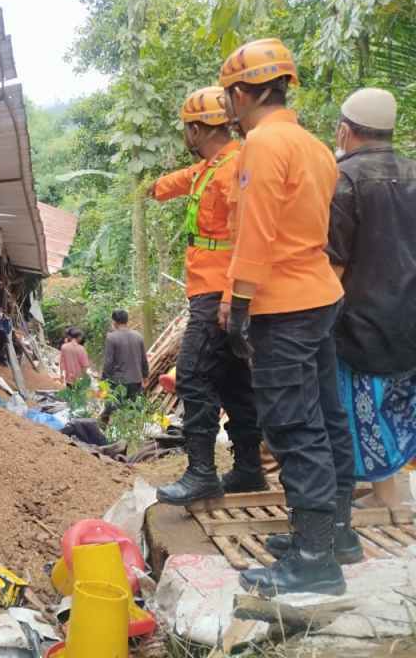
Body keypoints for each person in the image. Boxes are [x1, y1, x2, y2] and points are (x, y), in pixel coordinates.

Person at [218, 38, 358, 596]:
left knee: (294, 426)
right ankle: (325, 534)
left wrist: (240, 303)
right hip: (319, 293)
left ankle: (315, 560)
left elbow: (256, 229)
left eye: (230, 95)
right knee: (324, 417)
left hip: (283, 304)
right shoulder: (314, 145)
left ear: (241, 92)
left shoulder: (262, 144)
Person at [148, 86, 265, 505]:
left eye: (187, 129)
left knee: (194, 375)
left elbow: (247, 236)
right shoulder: (212, 166)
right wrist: (153, 188)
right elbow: (181, 182)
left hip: (219, 292)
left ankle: (201, 473)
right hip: (213, 288)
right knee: (235, 380)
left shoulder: (233, 170)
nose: (185, 135)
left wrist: (231, 299)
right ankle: (250, 469)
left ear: (197, 129)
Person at [324, 88, 416, 508]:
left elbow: (335, 266)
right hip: (408, 316)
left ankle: (386, 497)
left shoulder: (344, 181)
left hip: (362, 321)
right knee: (400, 406)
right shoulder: (413, 172)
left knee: (367, 411)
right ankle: (391, 490)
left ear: (345, 131)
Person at [101, 310, 148, 419]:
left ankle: (108, 430)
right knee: (134, 410)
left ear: (114, 322)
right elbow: (143, 359)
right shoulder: (138, 336)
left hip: (119, 382)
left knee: (114, 410)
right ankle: (134, 432)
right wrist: (145, 376)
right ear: (127, 320)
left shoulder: (111, 337)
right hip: (136, 380)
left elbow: (108, 362)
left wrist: (104, 379)